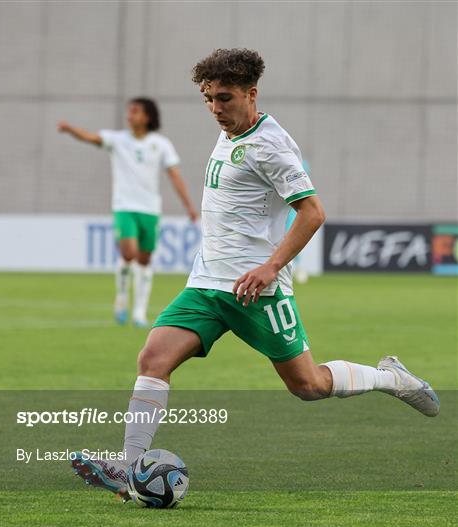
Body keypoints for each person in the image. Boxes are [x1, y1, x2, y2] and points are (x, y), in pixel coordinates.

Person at [71, 49, 439, 497]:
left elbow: (312, 212)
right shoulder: (230, 130)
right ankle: (129, 471)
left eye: (224, 98)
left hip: (255, 291)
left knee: (308, 385)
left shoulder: (271, 145)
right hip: (207, 283)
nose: (215, 109)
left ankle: (391, 378)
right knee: (153, 359)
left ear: (252, 93)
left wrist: (271, 267)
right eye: (208, 99)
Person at [58, 98, 198, 327]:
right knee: (129, 253)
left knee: (144, 259)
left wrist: (189, 206)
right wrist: (70, 129)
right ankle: (122, 298)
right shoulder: (117, 140)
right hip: (124, 206)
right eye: (129, 111)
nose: (130, 115)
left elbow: (174, 175)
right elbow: (91, 137)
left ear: (148, 117)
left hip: (150, 209)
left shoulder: (161, 144)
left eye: (135, 111)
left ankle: (139, 312)